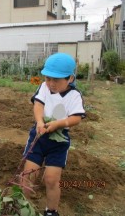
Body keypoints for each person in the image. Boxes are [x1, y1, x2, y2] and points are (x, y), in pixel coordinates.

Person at [22, 53, 86, 216]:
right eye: (48, 78)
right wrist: (39, 122)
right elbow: (38, 105)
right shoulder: (43, 87)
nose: (51, 83)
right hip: (39, 136)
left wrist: (58, 123)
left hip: (59, 142)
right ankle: (21, 206)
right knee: (28, 175)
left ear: (70, 78)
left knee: (51, 179)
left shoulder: (74, 96)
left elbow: (76, 118)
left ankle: (51, 211)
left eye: (56, 80)